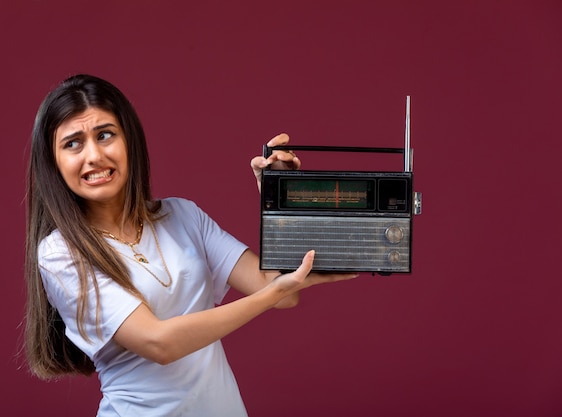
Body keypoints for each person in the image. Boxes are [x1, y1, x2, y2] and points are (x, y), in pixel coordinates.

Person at [24, 74, 357, 417]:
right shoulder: (60, 254)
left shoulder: (182, 215)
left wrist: (280, 199)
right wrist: (271, 295)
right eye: (73, 143)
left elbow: (284, 292)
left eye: (105, 135)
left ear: (129, 140)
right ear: (53, 162)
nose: (93, 155)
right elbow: (160, 343)